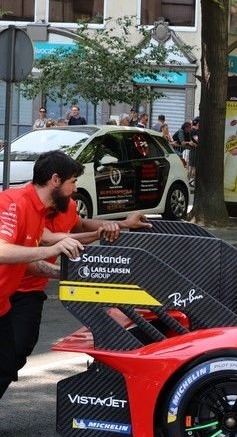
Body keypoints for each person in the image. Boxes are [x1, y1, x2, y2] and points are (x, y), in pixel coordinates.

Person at [2, 203, 151, 402]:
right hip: (9, 288)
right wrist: (73, 272)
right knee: (8, 358)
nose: (74, 190)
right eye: (71, 186)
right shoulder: (28, 208)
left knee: (18, 351)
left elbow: (79, 224)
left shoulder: (68, 204)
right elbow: (45, 244)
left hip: (30, 294)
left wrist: (122, 224)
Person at [0, 151, 87, 403]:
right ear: (55, 180)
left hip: (3, 305)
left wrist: (67, 274)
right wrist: (50, 250)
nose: (75, 189)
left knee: (7, 363)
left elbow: (29, 261)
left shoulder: (40, 210)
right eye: (72, 181)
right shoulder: (14, 203)